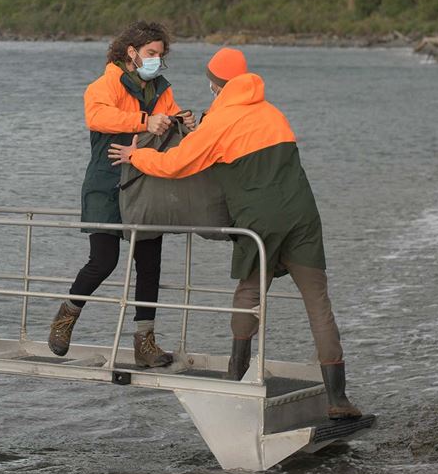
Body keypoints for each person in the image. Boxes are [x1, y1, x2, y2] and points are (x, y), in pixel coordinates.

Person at [108, 47, 362, 419]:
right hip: (304, 216)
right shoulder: (273, 113)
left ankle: (236, 372)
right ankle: (339, 399)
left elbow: (176, 164)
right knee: (318, 306)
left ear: (217, 84)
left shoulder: (220, 122)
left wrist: (136, 158)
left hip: (261, 222)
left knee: (248, 295)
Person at [48, 21, 195, 368]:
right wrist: (145, 121)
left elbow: (168, 121)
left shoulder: (161, 88)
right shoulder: (105, 83)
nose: (156, 60)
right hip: (106, 181)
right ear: (132, 53)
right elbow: (96, 116)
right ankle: (65, 318)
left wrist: (183, 122)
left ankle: (145, 342)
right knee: (103, 260)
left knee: (149, 263)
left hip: (146, 180)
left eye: (160, 55)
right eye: (151, 54)